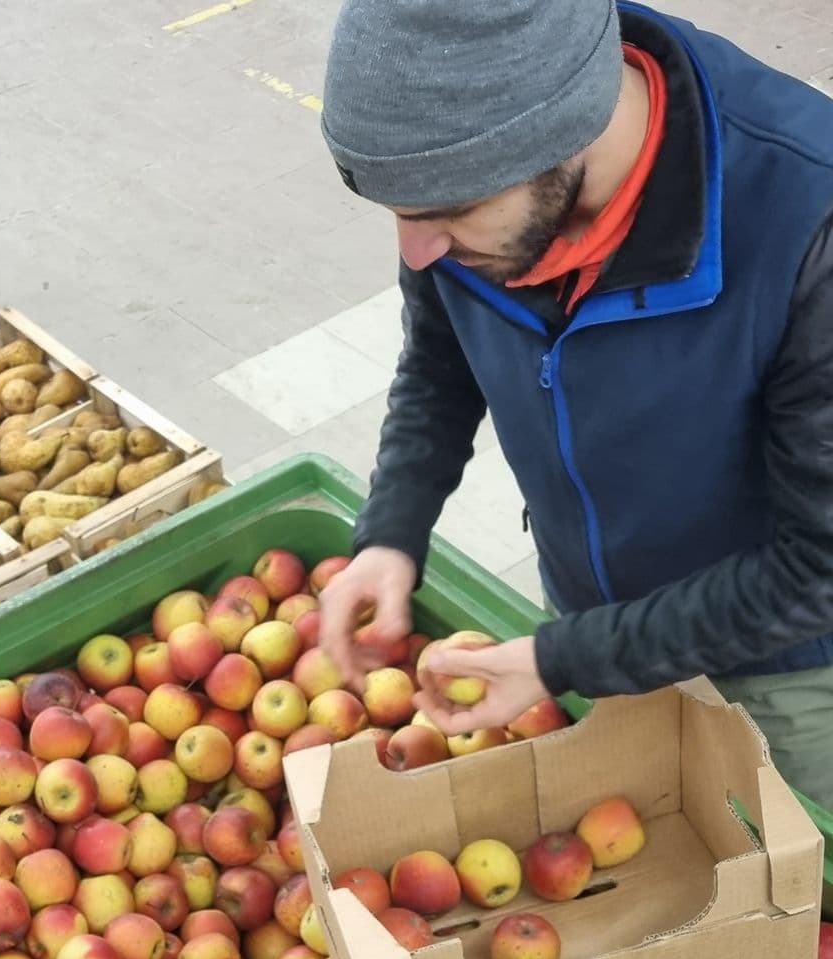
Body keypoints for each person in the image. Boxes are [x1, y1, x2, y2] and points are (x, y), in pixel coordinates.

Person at [317, 0, 833, 809]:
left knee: (797, 878)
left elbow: (819, 568)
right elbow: (440, 359)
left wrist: (561, 660)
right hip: (586, 626)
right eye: (397, 214)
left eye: (446, 215)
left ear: (563, 140)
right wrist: (392, 530)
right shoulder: (466, 186)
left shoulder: (808, 227)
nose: (415, 250)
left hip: (788, 669)